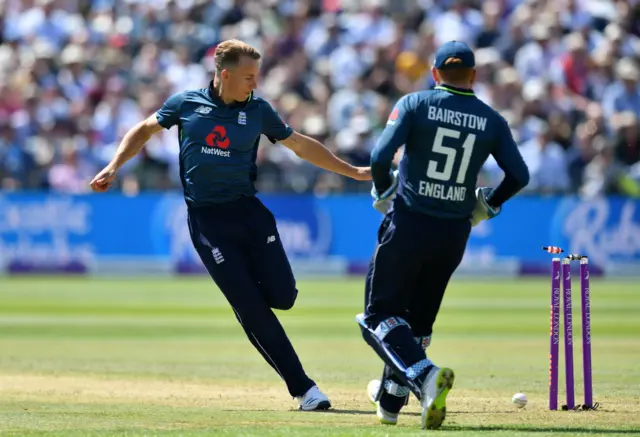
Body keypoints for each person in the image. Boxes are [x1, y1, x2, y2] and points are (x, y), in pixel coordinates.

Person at [89, 39, 371, 411]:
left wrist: (350, 171)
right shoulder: (186, 103)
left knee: (283, 298)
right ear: (225, 74)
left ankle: (254, 308)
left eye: (257, 76)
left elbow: (300, 145)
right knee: (251, 307)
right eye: (248, 77)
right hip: (209, 222)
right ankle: (305, 389)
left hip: (250, 213)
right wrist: (114, 166)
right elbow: (144, 129)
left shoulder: (258, 110)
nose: (255, 83)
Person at [356, 41, 530, 429]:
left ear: (434, 74)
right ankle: (389, 403)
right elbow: (519, 176)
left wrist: (384, 191)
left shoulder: (415, 104)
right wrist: (487, 205)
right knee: (415, 326)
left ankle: (425, 376)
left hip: (409, 223)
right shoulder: (491, 119)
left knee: (377, 317)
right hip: (454, 233)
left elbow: (379, 158)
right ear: (473, 75)